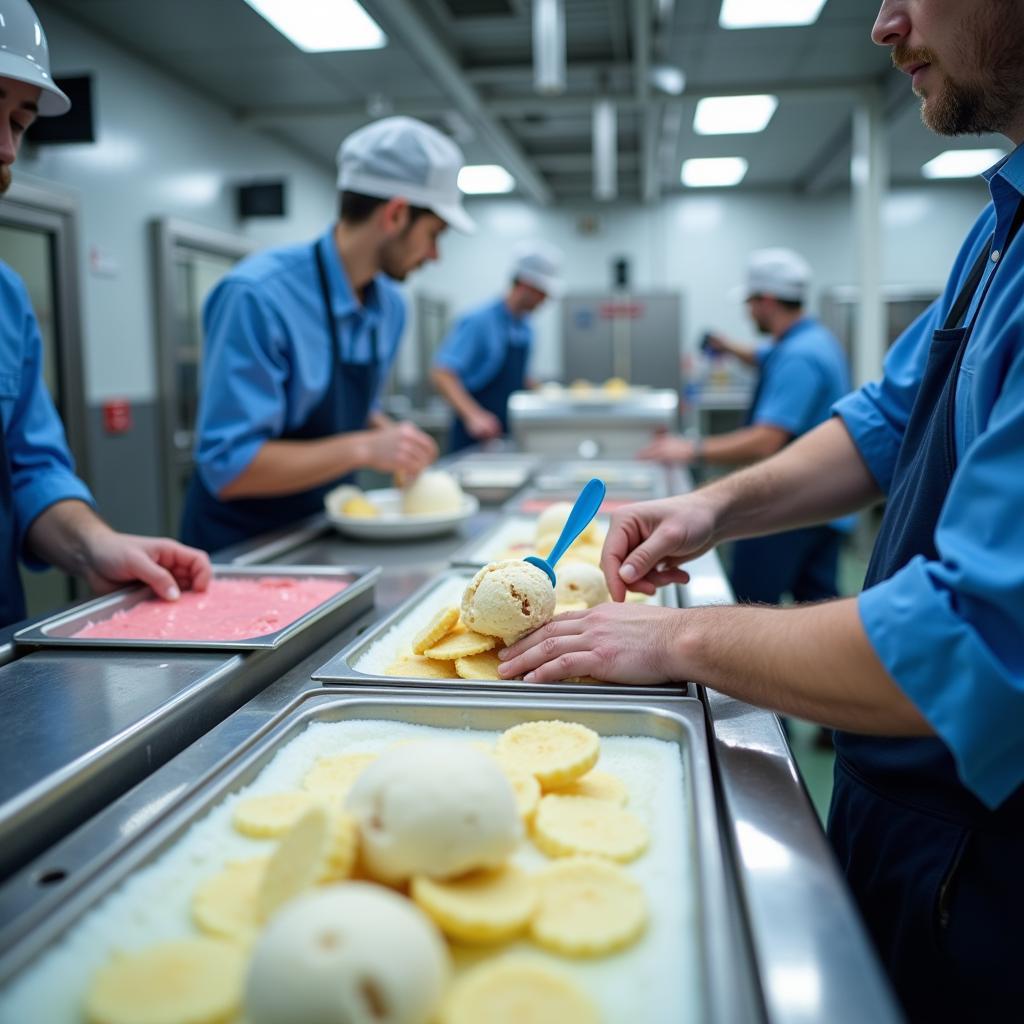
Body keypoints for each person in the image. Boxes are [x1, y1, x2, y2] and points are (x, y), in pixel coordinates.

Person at [498, 1, 1024, 1019]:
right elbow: (882, 423)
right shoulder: (999, 233)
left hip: (990, 848)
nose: (883, 23)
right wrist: (708, 508)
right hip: (896, 795)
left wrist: (678, 637)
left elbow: (974, 646)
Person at [0, 0, 209, 630]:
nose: (6, 149)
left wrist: (93, 543)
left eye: (18, 120)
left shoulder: (7, 299)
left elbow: (30, 469)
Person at [180, 116, 475, 553]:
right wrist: (366, 448)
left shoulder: (390, 306)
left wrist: (393, 437)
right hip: (240, 548)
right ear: (395, 214)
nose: (434, 255)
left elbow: (355, 409)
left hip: (325, 532)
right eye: (434, 235)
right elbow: (229, 466)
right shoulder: (258, 297)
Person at [639, 249, 854, 604]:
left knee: (750, 604)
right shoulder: (811, 338)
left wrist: (690, 448)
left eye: (750, 303)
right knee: (815, 602)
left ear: (767, 301)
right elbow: (761, 355)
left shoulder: (799, 357)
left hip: (788, 509)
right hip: (823, 507)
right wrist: (726, 345)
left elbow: (765, 441)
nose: (748, 311)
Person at [432, 241, 563, 452]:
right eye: (541, 292)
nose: (544, 300)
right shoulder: (479, 321)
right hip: (472, 438)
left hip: (507, 433)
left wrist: (546, 395)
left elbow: (518, 379)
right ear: (523, 285)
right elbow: (443, 374)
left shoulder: (526, 327)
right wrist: (473, 415)